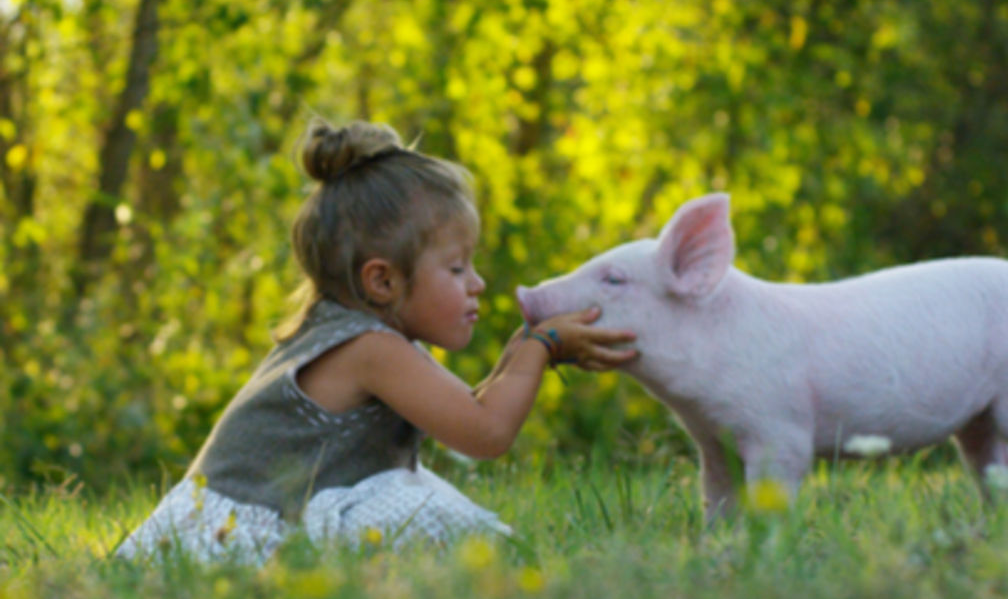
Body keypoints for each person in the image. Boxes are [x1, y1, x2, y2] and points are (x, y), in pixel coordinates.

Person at [116, 118, 636, 563]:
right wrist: (539, 346)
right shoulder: (369, 349)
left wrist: (527, 348)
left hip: (274, 513)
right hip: (239, 539)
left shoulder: (354, 334)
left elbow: (467, 407)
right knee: (431, 521)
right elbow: (485, 433)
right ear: (382, 281)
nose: (477, 283)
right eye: (457, 268)